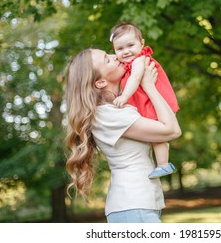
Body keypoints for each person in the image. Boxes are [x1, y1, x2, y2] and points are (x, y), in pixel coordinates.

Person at [65, 48, 181, 223]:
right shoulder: (108, 115)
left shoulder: (118, 108)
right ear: (101, 82)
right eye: (107, 59)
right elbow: (172, 130)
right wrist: (149, 86)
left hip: (139, 205)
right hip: (133, 206)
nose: (116, 56)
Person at [109, 22, 180, 179]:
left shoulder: (139, 60)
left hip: (155, 102)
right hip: (148, 100)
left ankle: (163, 165)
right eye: (119, 49)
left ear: (142, 44)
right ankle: (163, 164)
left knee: (157, 136)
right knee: (156, 136)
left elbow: (135, 78)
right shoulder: (128, 63)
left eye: (130, 45)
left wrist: (124, 97)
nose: (126, 51)